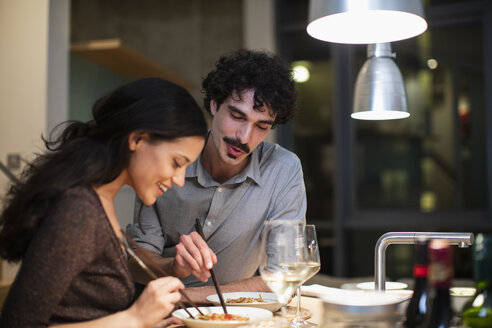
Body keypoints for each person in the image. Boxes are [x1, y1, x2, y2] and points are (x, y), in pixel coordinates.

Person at [0, 77, 214, 327]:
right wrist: (135, 318)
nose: (179, 179)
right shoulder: (79, 211)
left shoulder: (99, 202)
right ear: (137, 140)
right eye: (177, 163)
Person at [126, 49, 307, 304]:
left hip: (236, 315)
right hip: (159, 312)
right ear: (213, 104)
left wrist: (189, 297)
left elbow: (284, 276)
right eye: (237, 116)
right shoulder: (170, 160)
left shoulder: (283, 169)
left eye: (261, 126)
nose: (244, 137)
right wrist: (174, 268)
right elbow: (136, 263)